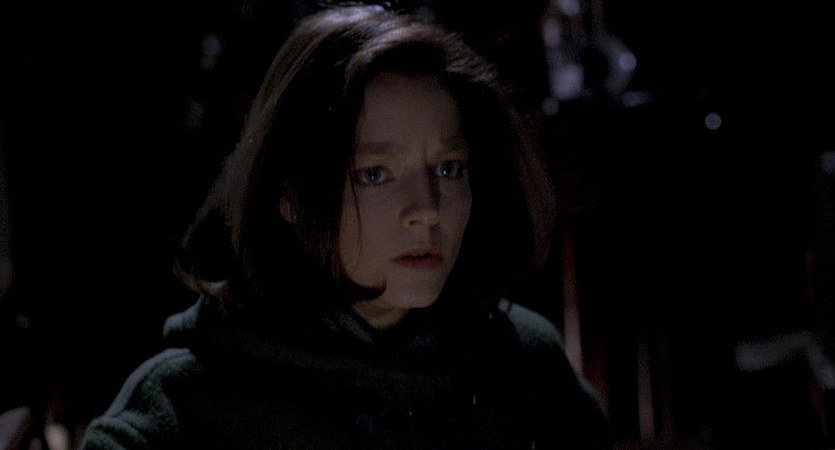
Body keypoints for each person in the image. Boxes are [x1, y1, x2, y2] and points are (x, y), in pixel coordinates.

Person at [77, 4, 612, 449]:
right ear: (291, 195)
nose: (427, 209)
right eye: (375, 174)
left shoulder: (523, 368)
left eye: (448, 168)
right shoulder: (184, 406)